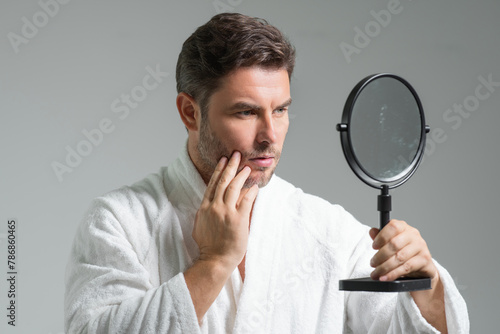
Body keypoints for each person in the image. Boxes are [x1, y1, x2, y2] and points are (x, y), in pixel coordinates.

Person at [64, 13, 469, 333]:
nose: (270, 136)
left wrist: (427, 284)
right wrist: (215, 262)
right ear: (190, 112)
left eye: (281, 110)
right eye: (246, 112)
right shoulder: (118, 222)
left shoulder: (326, 230)